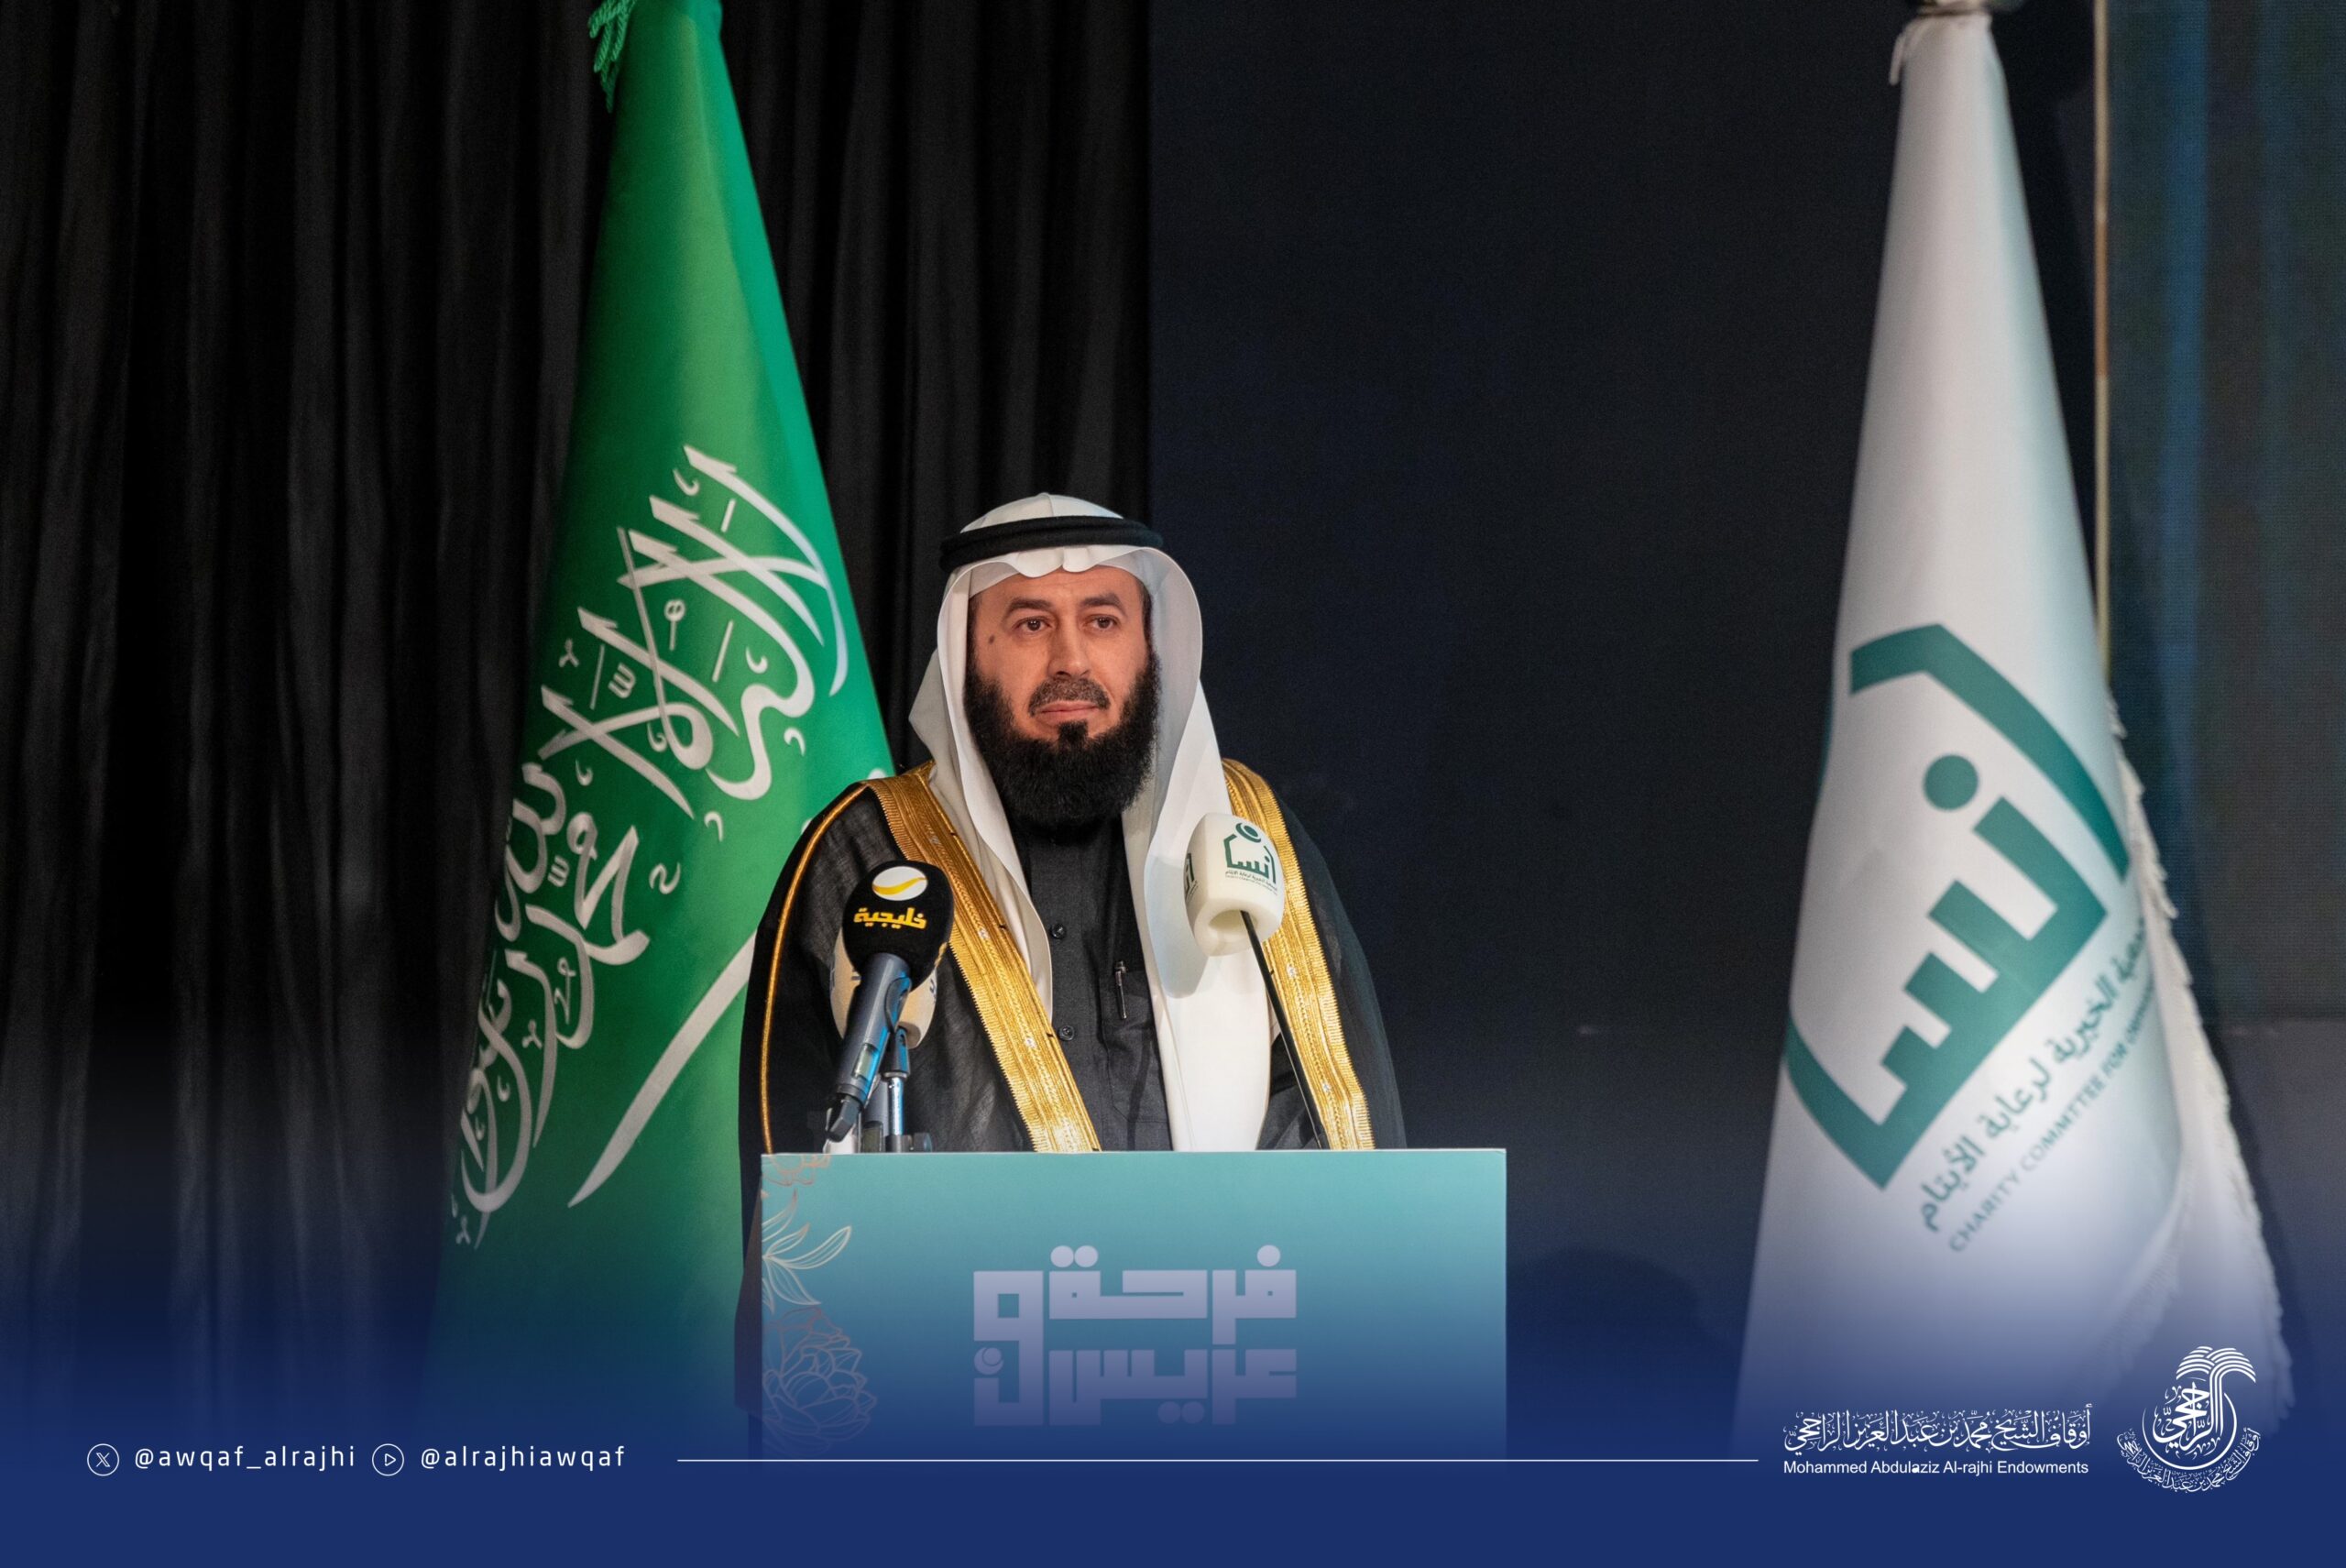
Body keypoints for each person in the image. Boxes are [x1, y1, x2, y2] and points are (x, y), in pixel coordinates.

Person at [738, 494, 1402, 1169]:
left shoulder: (1246, 833)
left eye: (1103, 621)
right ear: (966, 652)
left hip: (1226, 1245)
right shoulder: (867, 850)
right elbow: (793, 1165)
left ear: (1149, 649)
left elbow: (1332, 1123)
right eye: (1031, 624)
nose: (1072, 660)